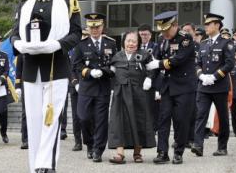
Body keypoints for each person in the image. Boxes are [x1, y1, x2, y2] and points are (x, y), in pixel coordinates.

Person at [11, 0, 81, 173]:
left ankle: (46, 165)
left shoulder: (69, 2)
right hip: (31, 67)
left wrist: (59, 45)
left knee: (51, 117)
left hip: (56, 66)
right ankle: (35, 165)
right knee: (33, 120)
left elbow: (77, 33)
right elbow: (14, 34)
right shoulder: (25, 3)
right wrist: (18, 45)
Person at [146, 12, 197, 165]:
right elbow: (154, 60)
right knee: (163, 120)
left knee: (181, 120)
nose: (164, 33)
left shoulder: (186, 38)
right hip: (167, 86)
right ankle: (162, 152)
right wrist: (150, 77)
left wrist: (159, 64)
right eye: (162, 30)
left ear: (175, 25)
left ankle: (178, 152)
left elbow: (178, 59)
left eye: (167, 29)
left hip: (184, 86)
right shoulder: (162, 40)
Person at [72, 13, 117, 163]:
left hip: (103, 87)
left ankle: (98, 149)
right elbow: (76, 65)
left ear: (102, 27)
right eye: (91, 27)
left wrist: (104, 71)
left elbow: (115, 63)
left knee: (101, 120)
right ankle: (89, 144)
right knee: (83, 118)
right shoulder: (81, 44)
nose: (94, 30)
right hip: (86, 87)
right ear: (88, 28)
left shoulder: (110, 43)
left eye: (97, 27)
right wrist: (89, 72)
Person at [191, 13, 235, 157]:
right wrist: (201, 75)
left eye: (209, 24)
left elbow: (229, 64)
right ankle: (198, 145)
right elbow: (197, 63)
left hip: (219, 87)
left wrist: (215, 77)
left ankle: (222, 147)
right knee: (200, 115)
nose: (206, 27)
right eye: (206, 24)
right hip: (204, 86)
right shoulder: (203, 43)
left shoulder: (226, 42)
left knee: (222, 117)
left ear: (217, 25)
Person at [108, 31, 155, 164]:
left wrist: (149, 79)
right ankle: (120, 153)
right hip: (120, 93)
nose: (131, 43)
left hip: (138, 93)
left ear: (138, 42)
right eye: (128, 40)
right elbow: (111, 72)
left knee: (138, 120)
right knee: (118, 122)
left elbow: (153, 68)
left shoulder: (145, 55)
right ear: (123, 42)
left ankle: (137, 152)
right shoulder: (117, 56)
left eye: (134, 41)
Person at [15, 55, 28, 149]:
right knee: (26, 113)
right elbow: (18, 70)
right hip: (26, 84)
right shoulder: (22, 50)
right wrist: (18, 86)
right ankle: (25, 139)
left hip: (41, 84)